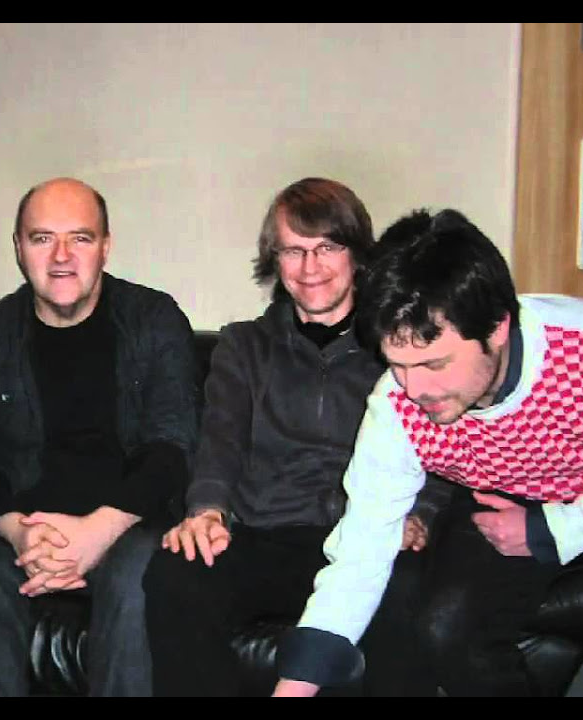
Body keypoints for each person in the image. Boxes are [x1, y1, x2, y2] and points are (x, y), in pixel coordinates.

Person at [274, 208, 583, 696]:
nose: (415, 389)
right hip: (500, 495)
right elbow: (361, 551)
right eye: (398, 364)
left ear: (497, 327)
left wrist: (552, 529)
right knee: (447, 631)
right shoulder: (395, 404)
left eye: (435, 364)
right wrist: (295, 688)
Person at [141, 178, 443, 696]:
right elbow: (220, 442)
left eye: (327, 247)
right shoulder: (244, 346)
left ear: (357, 255)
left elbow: (444, 441)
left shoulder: (396, 346)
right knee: (177, 572)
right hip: (262, 534)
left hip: (359, 536)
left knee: (406, 583)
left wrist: (422, 516)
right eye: (293, 250)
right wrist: (207, 512)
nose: (310, 267)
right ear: (274, 259)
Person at [0, 177, 197, 696]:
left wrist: (97, 532)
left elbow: (174, 446)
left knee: (144, 568)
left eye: (80, 238)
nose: (61, 257)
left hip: (126, 527)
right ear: (18, 248)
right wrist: (18, 533)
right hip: (22, 530)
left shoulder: (153, 320)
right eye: (42, 238)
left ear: (106, 246)